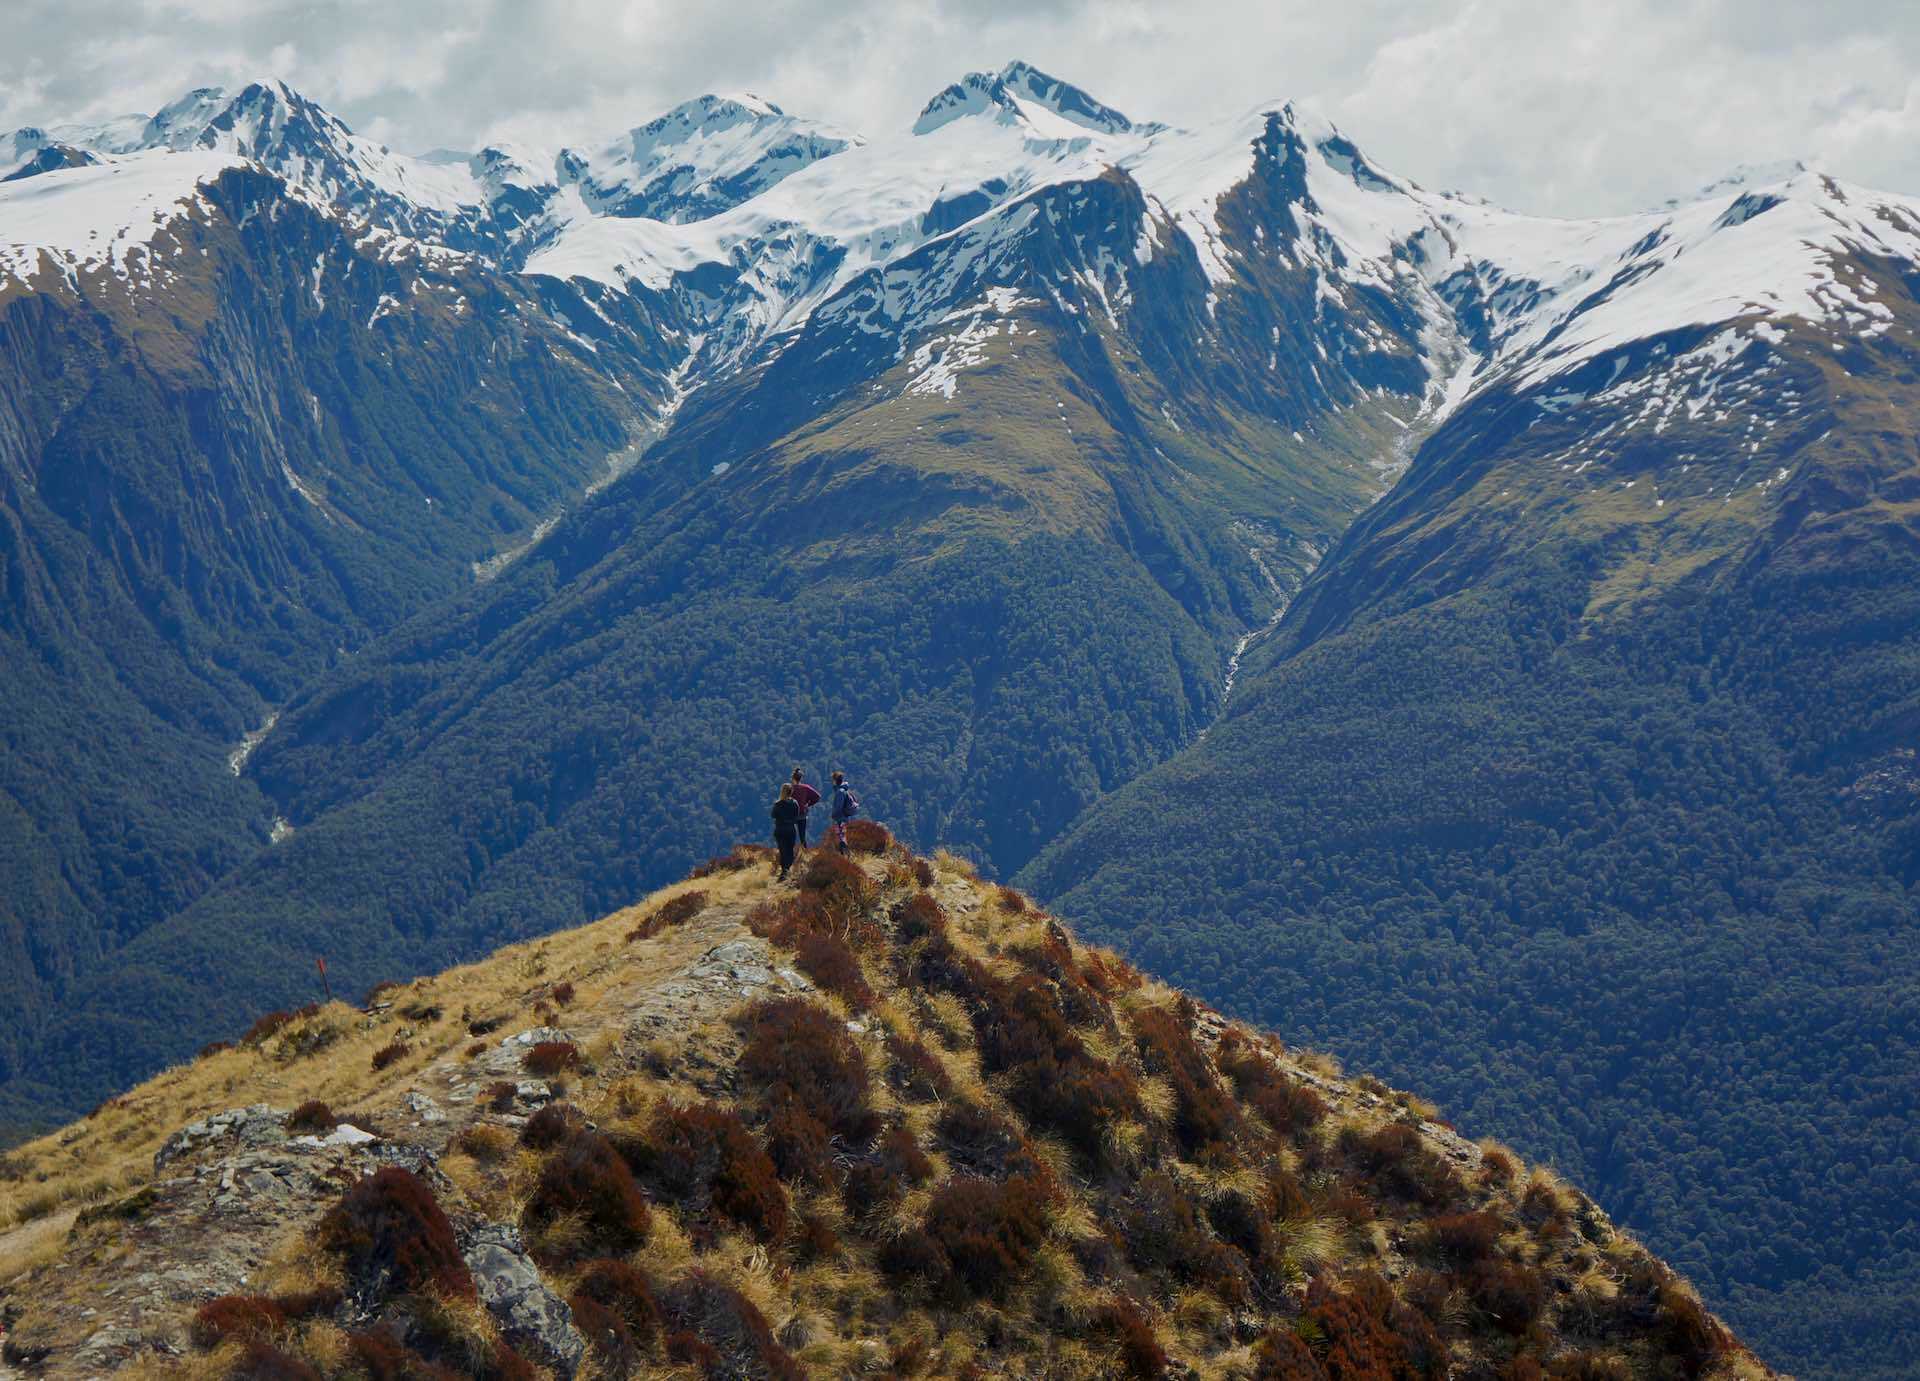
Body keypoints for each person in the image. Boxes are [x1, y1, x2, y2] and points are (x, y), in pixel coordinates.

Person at [770, 783, 802, 880]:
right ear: (791, 792)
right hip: (791, 830)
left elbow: (773, 815)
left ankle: (784, 872)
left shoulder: (778, 804)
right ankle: (787, 871)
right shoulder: (795, 803)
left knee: (783, 851)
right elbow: (797, 816)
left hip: (780, 830)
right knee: (790, 851)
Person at [828, 769, 860, 855]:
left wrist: (833, 815)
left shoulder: (840, 792)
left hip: (840, 818)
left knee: (841, 837)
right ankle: (845, 854)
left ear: (835, 780)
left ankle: (844, 854)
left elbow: (839, 807)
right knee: (843, 835)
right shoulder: (844, 790)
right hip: (845, 816)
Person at [790, 768, 821, 851]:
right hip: (802, 814)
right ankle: (805, 852)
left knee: (790, 835)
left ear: (793, 778)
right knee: (802, 836)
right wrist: (808, 804)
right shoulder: (805, 788)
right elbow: (817, 796)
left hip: (791, 815)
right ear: (800, 778)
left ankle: (790, 852)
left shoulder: (790, 788)